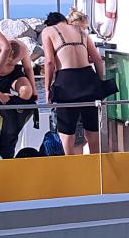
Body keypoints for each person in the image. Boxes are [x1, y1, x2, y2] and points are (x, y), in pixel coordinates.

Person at [41, 9, 106, 155]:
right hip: (88, 79)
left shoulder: (48, 31)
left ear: (49, 24)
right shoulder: (81, 31)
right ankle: (97, 165)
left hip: (66, 82)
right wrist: (99, 83)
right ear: (65, 20)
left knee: (67, 134)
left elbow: (49, 62)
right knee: (92, 132)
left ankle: (70, 167)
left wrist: (47, 88)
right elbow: (97, 59)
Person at [0, 39, 37, 159]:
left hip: (13, 75)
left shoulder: (23, 48)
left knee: (26, 91)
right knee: (2, 104)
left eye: (12, 62)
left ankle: (15, 120)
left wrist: (34, 90)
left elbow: (28, 68)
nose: (8, 63)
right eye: (6, 61)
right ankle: (6, 119)